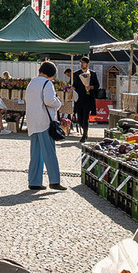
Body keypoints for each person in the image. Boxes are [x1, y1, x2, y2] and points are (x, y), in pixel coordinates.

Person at [24, 61, 65, 191]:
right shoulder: (47, 83)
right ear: (51, 73)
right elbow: (49, 101)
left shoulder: (32, 83)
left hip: (32, 121)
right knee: (49, 152)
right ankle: (54, 180)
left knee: (35, 153)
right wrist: (58, 103)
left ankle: (34, 181)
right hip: (44, 121)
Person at [72, 56, 98, 142]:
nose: (82, 64)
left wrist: (91, 87)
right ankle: (85, 132)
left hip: (88, 99)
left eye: (83, 62)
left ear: (88, 64)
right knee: (79, 119)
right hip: (79, 99)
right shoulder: (76, 73)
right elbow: (73, 84)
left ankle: (84, 135)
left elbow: (97, 85)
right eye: (81, 62)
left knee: (85, 118)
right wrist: (72, 88)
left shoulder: (93, 74)